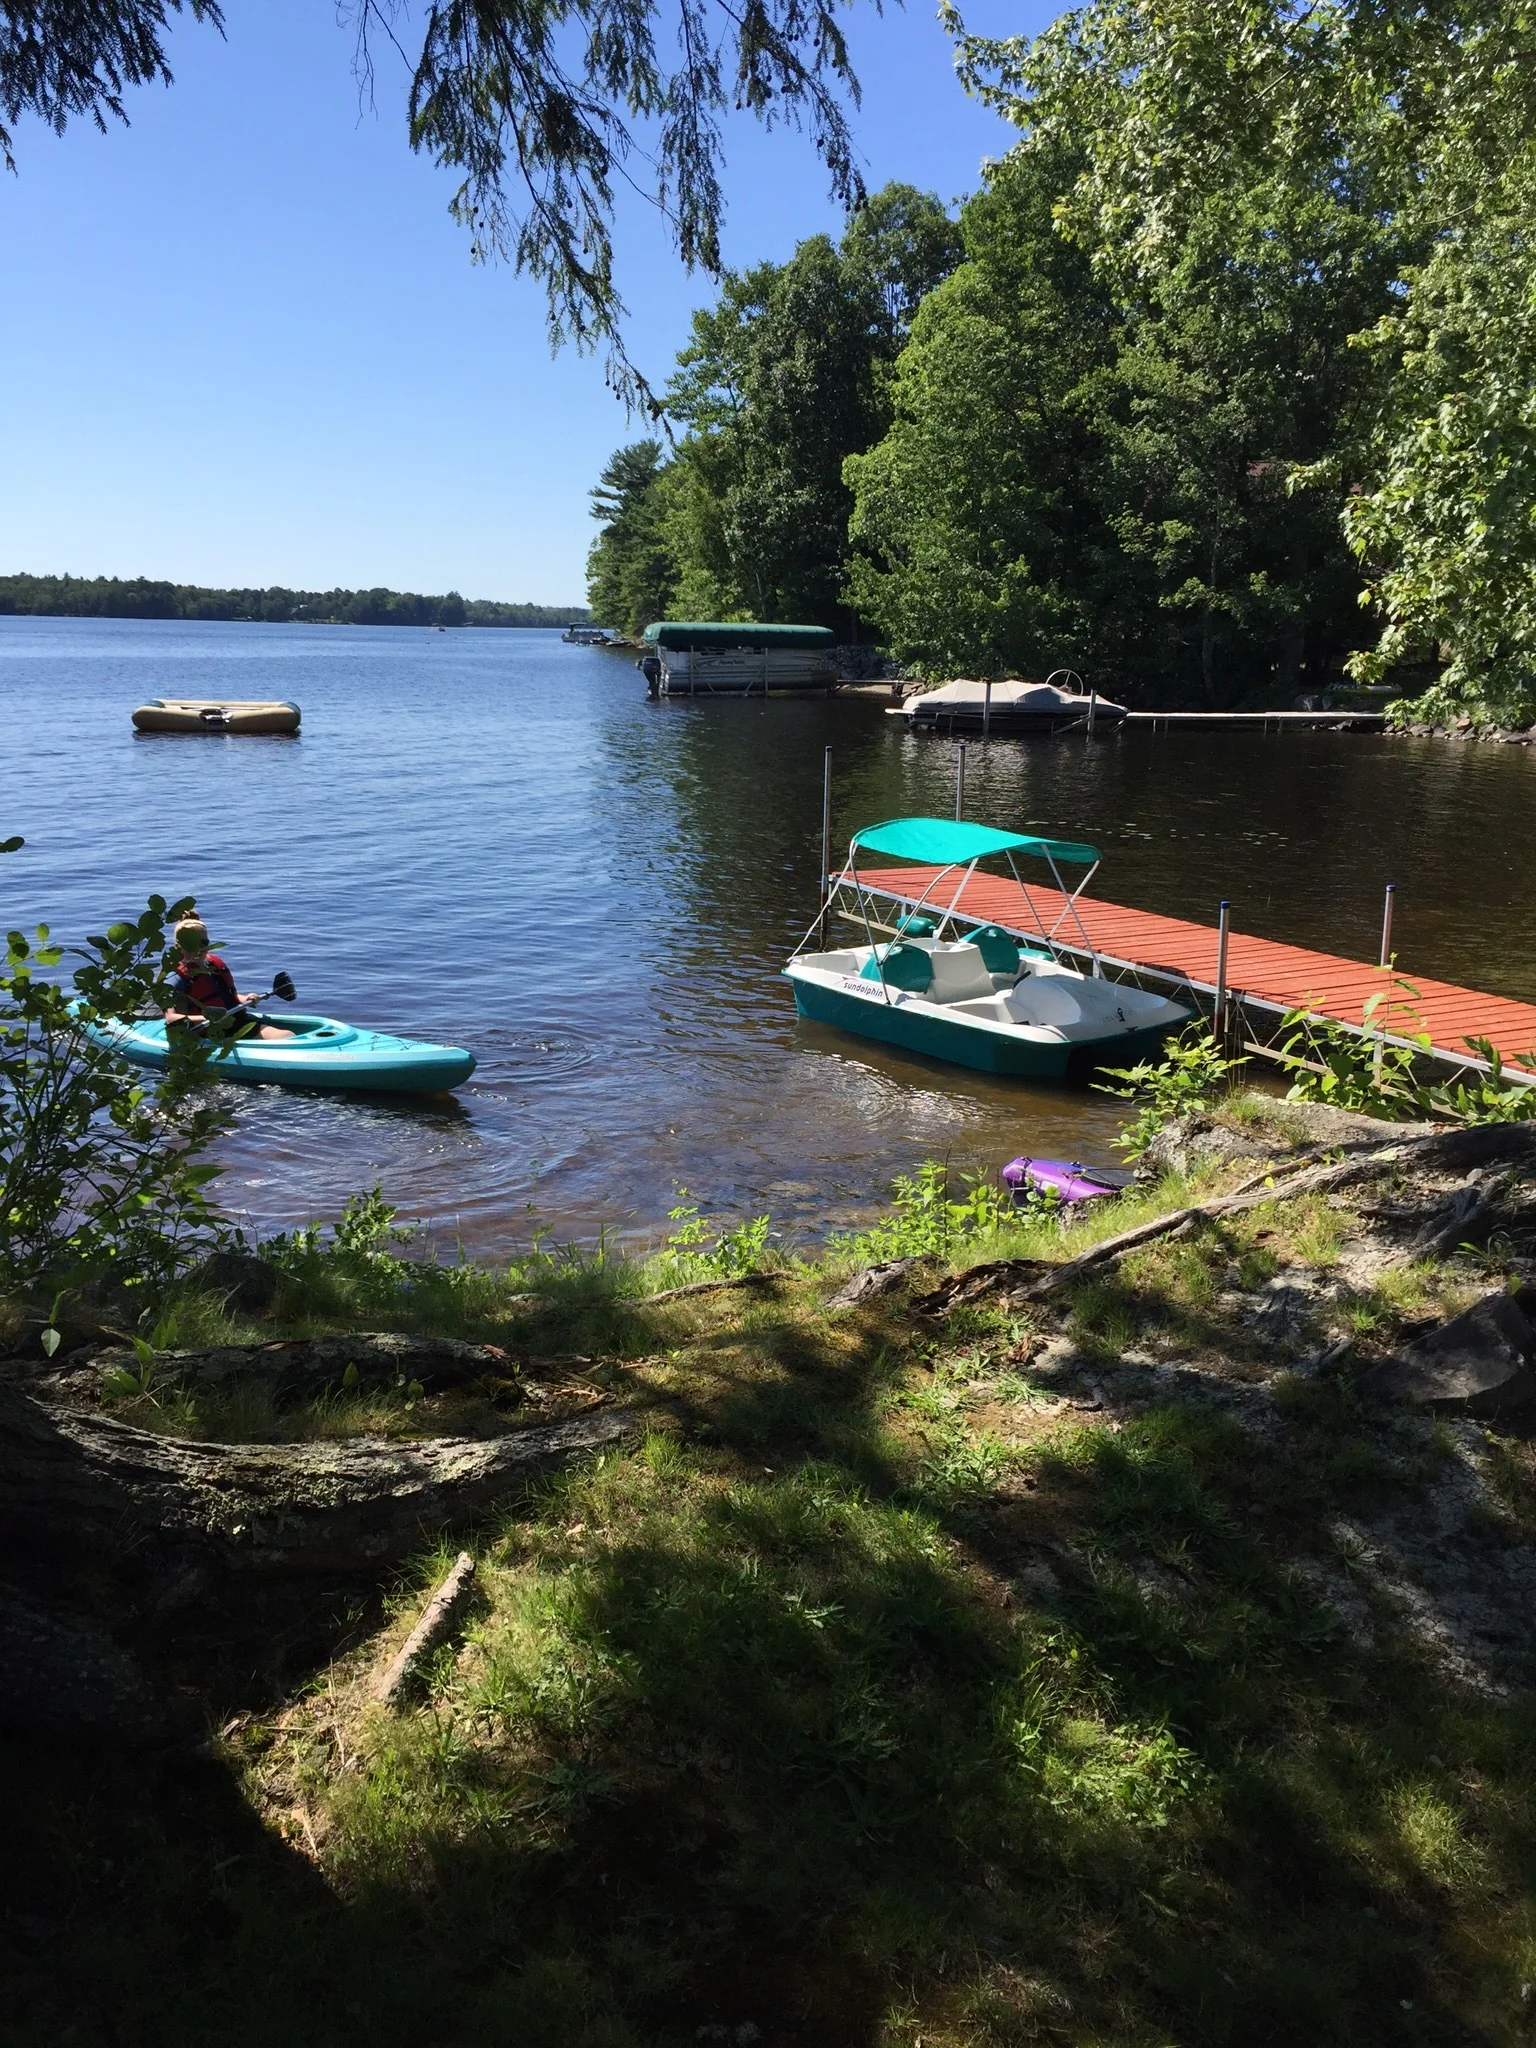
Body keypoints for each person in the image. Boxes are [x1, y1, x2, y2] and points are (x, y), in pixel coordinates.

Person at [165, 917, 292, 1041]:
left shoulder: (213, 965)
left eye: (203, 943)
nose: (199, 949)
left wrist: (246, 998)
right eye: (192, 945)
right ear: (178, 946)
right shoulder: (175, 977)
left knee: (288, 1035)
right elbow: (171, 1018)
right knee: (286, 1037)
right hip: (209, 1033)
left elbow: (231, 997)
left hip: (235, 1022)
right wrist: (207, 1018)